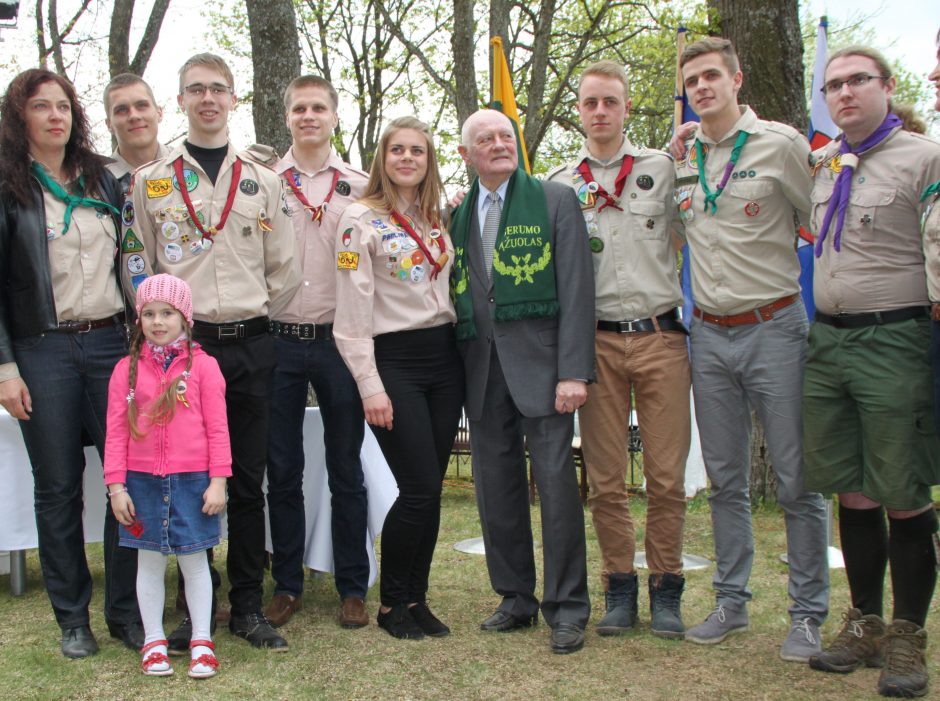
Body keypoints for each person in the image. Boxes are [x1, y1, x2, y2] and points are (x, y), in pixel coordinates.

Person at [124, 53, 300, 652]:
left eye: (218, 90)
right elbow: (140, 266)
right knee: (179, 477)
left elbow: (285, 269)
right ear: (180, 101)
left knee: (248, 480)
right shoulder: (151, 181)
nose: (207, 99)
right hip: (182, 357)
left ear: (234, 99)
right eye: (195, 90)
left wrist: (255, 315)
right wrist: (162, 334)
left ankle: (247, 606)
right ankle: (191, 606)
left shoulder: (264, 180)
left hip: (251, 346)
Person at [672, 37, 829, 661]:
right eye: (693, 80)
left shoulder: (783, 146)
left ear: (737, 79)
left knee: (797, 479)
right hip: (709, 333)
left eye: (712, 76)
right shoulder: (682, 157)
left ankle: (809, 614)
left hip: (775, 327)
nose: (702, 87)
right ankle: (732, 602)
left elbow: (824, 218)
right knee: (726, 480)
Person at [804, 45, 940, 699]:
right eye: (834, 84)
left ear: (887, 85)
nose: (845, 92)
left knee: (903, 489)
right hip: (829, 344)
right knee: (851, 489)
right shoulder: (827, 162)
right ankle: (864, 620)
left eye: (859, 80)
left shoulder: (924, 157)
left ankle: (909, 635)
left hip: (896, 339)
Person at [0, 68, 142, 657]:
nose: (55, 115)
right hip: (42, 349)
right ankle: (72, 618)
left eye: (63, 106)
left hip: (112, 344)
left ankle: (126, 612)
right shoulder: (8, 187)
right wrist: (5, 367)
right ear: (20, 117)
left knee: (127, 480)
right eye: (41, 107)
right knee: (57, 487)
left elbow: (131, 262)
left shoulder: (101, 180)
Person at [546, 59, 690, 638]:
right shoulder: (558, 183)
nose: (600, 112)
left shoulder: (664, 168)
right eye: (590, 103)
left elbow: (698, 229)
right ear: (579, 111)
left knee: (666, 477)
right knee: (605, 479)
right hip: (596, 344)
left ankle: (668, 589)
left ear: (627, 106)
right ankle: (620, 590)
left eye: (610, 101)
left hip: (660, 338)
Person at [450, 108, 595, 654]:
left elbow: (579, 290)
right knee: (495, 490)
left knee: (557, 489)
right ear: (467, 155)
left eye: (506, 136)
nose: (498, 144)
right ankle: (515, 597)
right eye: (485, 139)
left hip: (545, 371)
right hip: (483, 373)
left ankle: (567, 607)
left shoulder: (554, 200)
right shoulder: (457, 214)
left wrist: (574, 371)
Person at [334, 116, 464, 640]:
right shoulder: (358, 220)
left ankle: (418, 597)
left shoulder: (437, 218)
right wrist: (370, 384)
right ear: (382, 159)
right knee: (415, 488)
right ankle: (390, 604)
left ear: (429, 160)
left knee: (429, 489)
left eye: (418, 151)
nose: (407, 158)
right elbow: (350, 315)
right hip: (396, 362)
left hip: (444, 359)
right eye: (397, 150)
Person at [265, 76, 371, 630]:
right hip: (277, 338)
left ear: (334, 116)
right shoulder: (261, 182)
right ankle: (287, 583)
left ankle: (353, 585)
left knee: (345, 468)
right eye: (299, 108)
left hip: (339, 341)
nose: (309, 116)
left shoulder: (361, 186)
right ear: (287, 117)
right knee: (281, 469)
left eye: (319, 108)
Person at [104, 274, 230, 679]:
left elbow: (218, 429)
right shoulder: (125, 371)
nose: (158, 322)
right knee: (150, 564)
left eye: (168, 313)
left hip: (193, 480)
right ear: (138, 319)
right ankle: (154, 641)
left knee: (195, 563)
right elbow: (116, 432)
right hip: (141, 482)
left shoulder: (206, 368)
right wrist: (116, 486)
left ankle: (202, 641)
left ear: (185, 318)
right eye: (149, 314)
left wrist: (218, 480)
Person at [102, 73, 170, 192]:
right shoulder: (97, 185)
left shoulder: (191, 166)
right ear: (109, 124)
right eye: (122, 110)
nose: (134, 116)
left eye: (142, 105)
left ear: (159, 113)